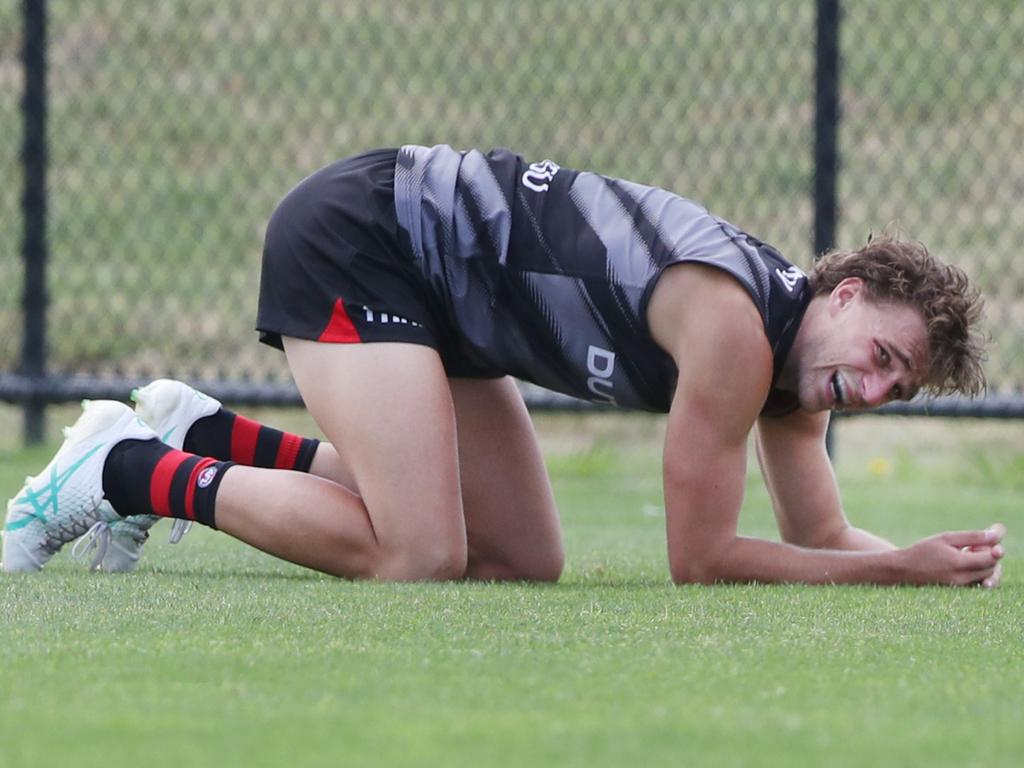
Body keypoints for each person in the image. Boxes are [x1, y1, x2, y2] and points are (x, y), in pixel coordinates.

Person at [3, 145, 1005, 587]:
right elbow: (699, 562)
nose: (872, 390)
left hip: (447, 304)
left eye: (895, 387)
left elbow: (819, 533)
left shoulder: (793, 374)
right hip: (366, 237)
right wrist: (898, 571)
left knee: (521, 559)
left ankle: (199, 432)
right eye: (880, 357)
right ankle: (121, 470)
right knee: (421, 554)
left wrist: (924, 564)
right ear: (841, 295)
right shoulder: (735, 330)